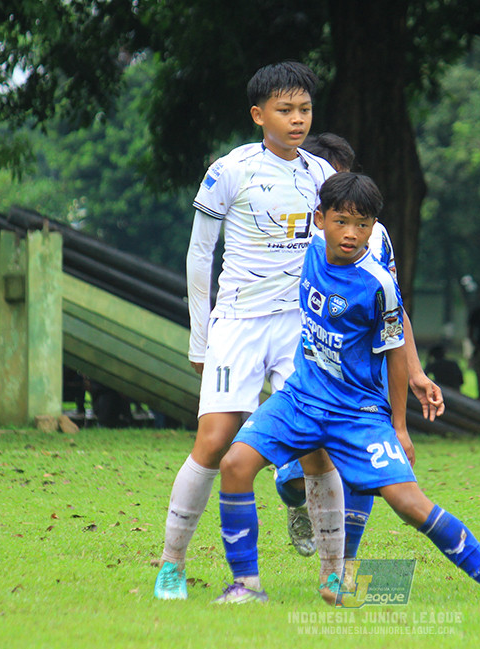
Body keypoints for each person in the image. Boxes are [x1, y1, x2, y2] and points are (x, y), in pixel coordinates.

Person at [154, 62, 442, 601]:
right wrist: (199, 337)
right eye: (285, 110)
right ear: (258, 115)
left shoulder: (319, 177)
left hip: (298, 328)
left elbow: (353, 248)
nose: (296, 120)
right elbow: (199, 254)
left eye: (304, 109)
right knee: (215, 442)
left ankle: (333, 572)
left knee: (319, 449)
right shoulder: (229, 170)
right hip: (237, 324)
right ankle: (171, 565)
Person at [212, 172, 480, 605]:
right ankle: (247, 587)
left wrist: (399, 427)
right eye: (342, 221)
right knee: (235, 464)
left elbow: (394, 350)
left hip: (357, 413)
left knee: (410, 505)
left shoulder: (378, 285)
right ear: (320, 219)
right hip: (301, 398)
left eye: (363, 225)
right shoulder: (307, 252)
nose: (352, 234)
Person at [271, 131, 442, 562]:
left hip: (363, 371)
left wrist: (416, 371)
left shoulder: (374, 238)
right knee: (303, 473)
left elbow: (393, 310)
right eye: (337, 210)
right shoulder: (299, 229)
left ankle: (344, 567)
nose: (348, 224)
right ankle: (298, 499)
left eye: (358, 214)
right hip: (312, 362)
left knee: (356, 471)